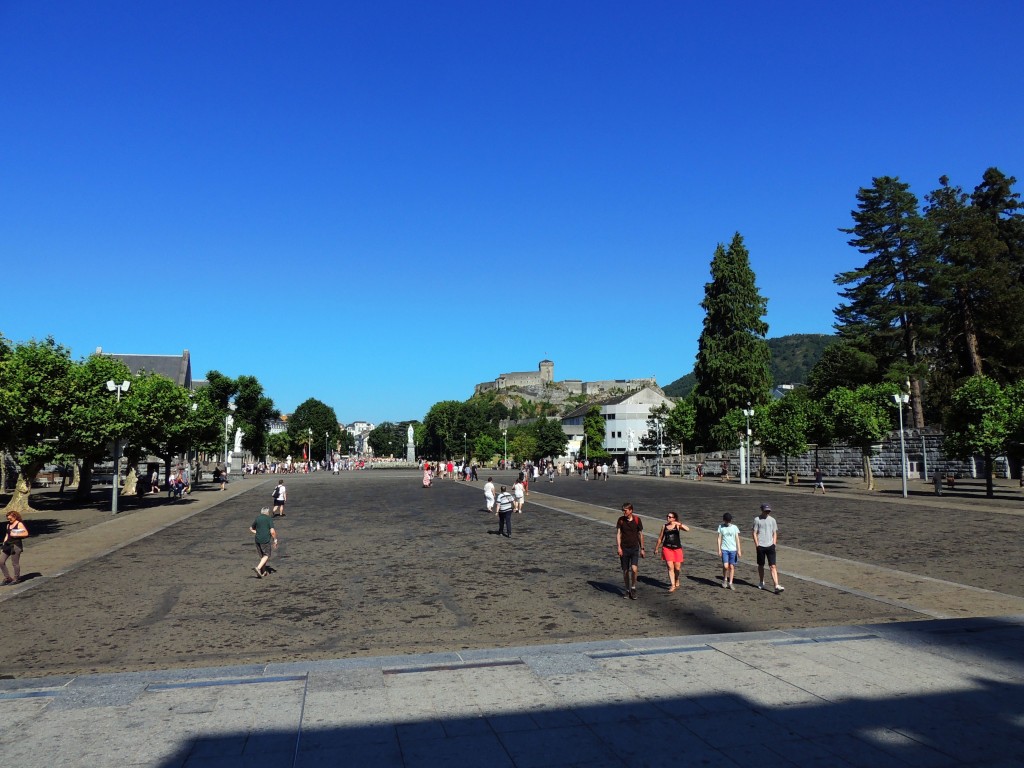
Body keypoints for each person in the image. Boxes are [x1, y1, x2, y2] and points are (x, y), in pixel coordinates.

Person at [751, 503, 784, 593]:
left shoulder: (772, 520)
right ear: (762, 510)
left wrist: (774, 543)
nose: (767, 512)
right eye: (766, 510)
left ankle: (776, 585)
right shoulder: (757, 520)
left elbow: (774, 532)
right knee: (761, 565)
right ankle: (761, 581)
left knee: (773, 566)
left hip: (770, 546)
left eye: (768, 510)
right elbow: (754, 532)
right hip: (761, 546)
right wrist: (757, 545)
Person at [655, 511, 690, 592]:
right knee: (670, 567)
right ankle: (673, 585)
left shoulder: (677, 526)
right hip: (667, 548)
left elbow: (688, 529)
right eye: (667, 516)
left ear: (674, 518)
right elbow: (660, 538)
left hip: (677, 549)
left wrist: (679, 524)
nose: (668, 518)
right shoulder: (664, 526)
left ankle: (676, 579)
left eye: (670, 517)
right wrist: (656, 548)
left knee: (677, 568)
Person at [616, 502, 644, 599]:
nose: (624, 512)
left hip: (634, 548)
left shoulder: (637, 520)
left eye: (625, 510)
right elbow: (618, 534)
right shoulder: (621, 520)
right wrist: (619, 547)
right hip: (624, 549)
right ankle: (627, 590)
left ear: (631, 510)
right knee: (625, 571)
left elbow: (640, 534)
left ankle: (633, 587)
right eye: (623, 510)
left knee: (634, 569)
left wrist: (642, 548)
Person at [1, 511, 29, 585]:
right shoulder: (8, 525)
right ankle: (7, 578)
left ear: (15, 517)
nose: (9, 520)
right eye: (8, 519)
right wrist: (4, 542)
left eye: (10, 518)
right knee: (1, 561)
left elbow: (26, 533)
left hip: (16, 545)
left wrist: (17, 534)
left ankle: (16, 578)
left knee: (15, 563)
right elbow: (7, 534)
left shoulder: (19, 524)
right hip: (7, 545)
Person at [250, 506, 278, 578]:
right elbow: (272, 531)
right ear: (267, 512)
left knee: (262, 556)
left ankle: (263, 571)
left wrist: (258, 532)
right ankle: (258, 568)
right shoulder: (268, 519)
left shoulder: (258, 518)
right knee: (267, 555)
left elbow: (251, 528)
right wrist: (275, 539)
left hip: (257, 540)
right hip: (265, 540)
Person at [716, 512, 741, 590]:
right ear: (724, 520)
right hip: (725, 549)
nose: (728, 522)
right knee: (725, 566)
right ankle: (725, 579)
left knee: (731, 566)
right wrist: (719, 549)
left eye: (729, 521)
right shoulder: (721, 527)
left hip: (733, 550)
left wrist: (739, 550)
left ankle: (730, 582)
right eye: (726, 521)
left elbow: (737, 539)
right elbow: (719, 538)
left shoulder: (734, 527)